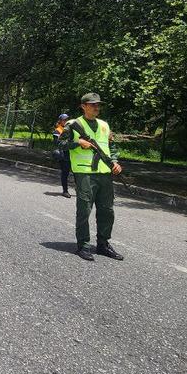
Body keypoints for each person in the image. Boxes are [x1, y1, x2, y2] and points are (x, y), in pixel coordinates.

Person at [58, 93, 124, 262]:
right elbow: (60, 144)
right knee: (84, 209)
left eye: (98, 105)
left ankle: (103, 244)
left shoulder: (104, 125)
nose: (96, 107)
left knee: (107, 211)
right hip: (85, 172)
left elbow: (111, 146)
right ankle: (84, 245)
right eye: (93, 104)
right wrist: (78, 143)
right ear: (83, 106)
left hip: (104, 173)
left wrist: (115, 162)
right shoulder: (74, 124)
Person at [53, 113, 71, 197]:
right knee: (65, 173)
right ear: (60, 121)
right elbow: (57, 143)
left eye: (67, 119)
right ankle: (65, 191)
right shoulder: (57, 130)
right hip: (63, 154)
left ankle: (79, 189)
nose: (66, 121)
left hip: (72, 154)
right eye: (64, 120)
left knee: (77, 173)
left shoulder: (70, 129)